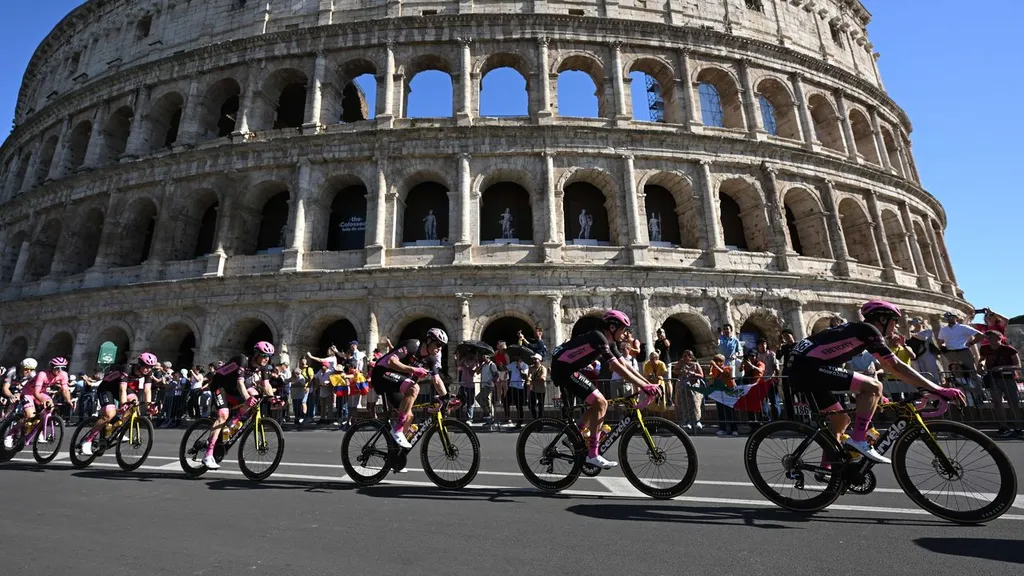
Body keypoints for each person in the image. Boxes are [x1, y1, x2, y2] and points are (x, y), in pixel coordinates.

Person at [785, 301, 966, 464]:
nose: (896, 326)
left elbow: (886, 367)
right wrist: (938, 389)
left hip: (804, 369)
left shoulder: (857, 332)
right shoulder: (869, 330)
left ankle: (829, 469)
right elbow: (895, 366)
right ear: (882, 319)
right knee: (874, 386)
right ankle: (858, 439)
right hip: (808, 368)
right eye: (894, 321)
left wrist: (884, 397)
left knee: (840, 421)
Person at [549, 310, 662, 470]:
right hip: (563, 370)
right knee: (601, 402)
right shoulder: (598, 337)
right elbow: (615, 366)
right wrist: (644, 387)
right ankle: (593, 455)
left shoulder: (611, 343)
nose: (625, 334)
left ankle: (575, 435)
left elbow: (625, 365)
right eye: (623, 329)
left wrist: (648, 383)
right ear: (612, 327)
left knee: (600, 403)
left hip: (571, 369)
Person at [369, 327, 450, 449]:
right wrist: (413, 369)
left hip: (396, 383)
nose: (440, 348)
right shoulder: (413, 345)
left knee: (409, 416)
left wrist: (446, 397)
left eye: (442, 346)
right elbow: (391, 361)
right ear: (429, 341)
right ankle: (398, 429)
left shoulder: (431, 359)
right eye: (438, 344)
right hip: (381, 374)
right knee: (414, 388)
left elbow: (437, 380)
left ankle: (394, 450)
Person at [201, 341, 277, 469]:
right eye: (264, 355)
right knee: (223, 414)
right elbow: (240, 383)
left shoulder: (263, 366)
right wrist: (247, 399)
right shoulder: (242, 360)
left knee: (255, 394)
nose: (266, 359)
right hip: (220, 385)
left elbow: (266, 385)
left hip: (234, 388)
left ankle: (234, 421)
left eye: (269, 356)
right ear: (256, 354)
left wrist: (273, 399)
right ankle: (208, 455)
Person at [78, 352, 160, 456]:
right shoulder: (127, 368)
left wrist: (149, 405)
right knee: (109, 414)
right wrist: (123, 404)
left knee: (134, 402)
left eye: (150, 367)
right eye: (146, 366)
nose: (148, 369)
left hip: (121, 388)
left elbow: (147, 390)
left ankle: (116, 428)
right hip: (107, 388)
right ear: (139, 364)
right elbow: (122, 389)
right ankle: (88, 440)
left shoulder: (148, 372)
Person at [977, 330, 1023, 437]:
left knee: (1013, 403)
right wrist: (980, 365)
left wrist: (1003, 368)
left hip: (1008, 379)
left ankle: (1018, 426)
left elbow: (1017, 365)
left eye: (991, 338)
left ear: (999, 338)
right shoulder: (984, 348)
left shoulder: (1009, 349)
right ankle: (1003, 426)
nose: (989, 340)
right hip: (993, 379)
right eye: (988, 338)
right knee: (997, 403)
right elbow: (982, 359)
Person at [19, 357, 72, 438]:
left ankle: (39, 430)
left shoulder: (63, 375)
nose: (60, 370)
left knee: (50, 408)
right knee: (30, 415)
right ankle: (10, 435)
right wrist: (43, 401)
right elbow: (36, 393)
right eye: (57, 368)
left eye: (63, 368)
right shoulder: (42, 374)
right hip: (28, 392)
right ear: (51, 367)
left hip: (42, 392)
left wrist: (69, 400)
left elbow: (65, 390)